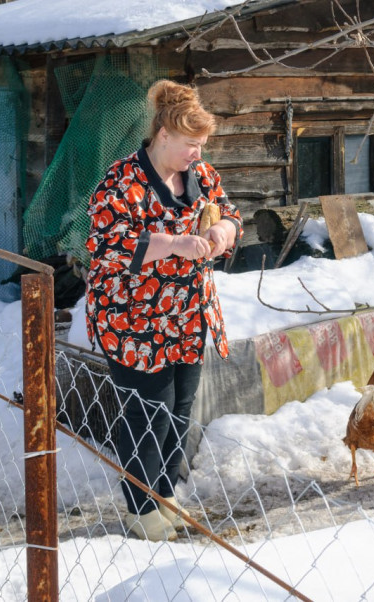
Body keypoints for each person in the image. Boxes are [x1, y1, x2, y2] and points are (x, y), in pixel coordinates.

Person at [84, 79, 242, 542]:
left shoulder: (203, 177)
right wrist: (174, 243)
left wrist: (223, 234)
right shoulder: (122, 180)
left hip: (189, 315)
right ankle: (138, 507)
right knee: (147, 411)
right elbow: (105, 244)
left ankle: (164, 494)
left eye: (202, 146)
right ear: (164, 135)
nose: (198, 154)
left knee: (180, 410)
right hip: (134, 320)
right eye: (191, 145)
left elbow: (230, 212)